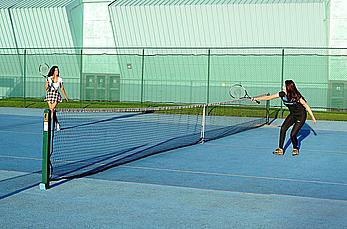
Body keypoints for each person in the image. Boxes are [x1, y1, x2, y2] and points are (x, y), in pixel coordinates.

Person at [252, 80, 316, 156]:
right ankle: (280, 149)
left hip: (301, 116)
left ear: (288, 88)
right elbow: (269, 97)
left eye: (284, 86)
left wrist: (312, 117)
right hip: (293, 114)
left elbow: (306, 105)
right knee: (283, 128)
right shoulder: (281, 94)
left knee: (292, 134)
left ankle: (295, 148)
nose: (283, 87)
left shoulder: (296, 96)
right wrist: (256, 98)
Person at [45, 66, 69, 130]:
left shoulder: (60, 79)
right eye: (56, 70)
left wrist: (65, 97)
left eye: (57, 70)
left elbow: (62, 88)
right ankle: (57, 123)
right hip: (49, 94)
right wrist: (47, 84)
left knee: (52, 109)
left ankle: (49, 124)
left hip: (56, 94)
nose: (57, 72)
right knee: (51, 110)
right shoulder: (49, 78)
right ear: (53, 71)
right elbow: (46, 89)